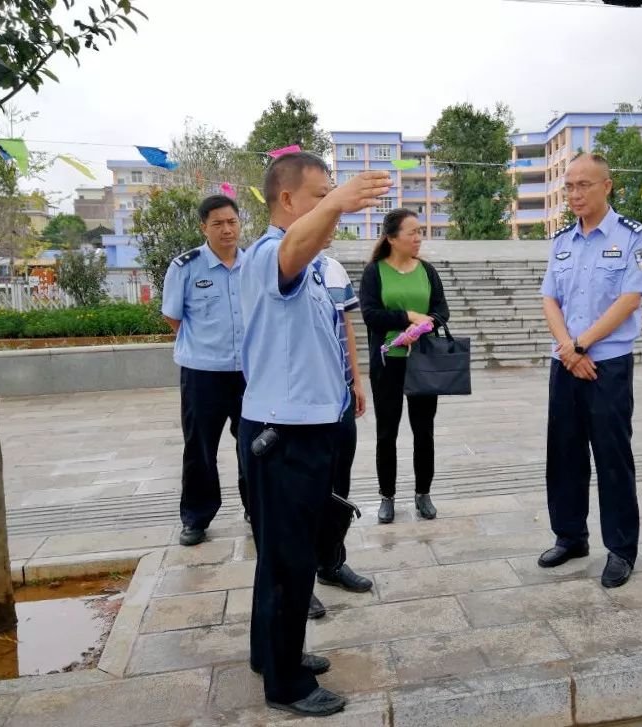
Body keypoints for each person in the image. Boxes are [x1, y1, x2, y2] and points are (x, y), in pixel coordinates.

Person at [238, 151, 391, 716]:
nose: (333, 207)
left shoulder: (316, 267)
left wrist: (350, 389)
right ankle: (287, 686)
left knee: (285, 555)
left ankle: (272, 654)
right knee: (289, 560)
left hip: (311, 427)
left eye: (332, 195)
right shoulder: (268, 255)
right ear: (286, 200)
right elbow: (291, 251)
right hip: (284, 433)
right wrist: (340, 202)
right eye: (320, 196)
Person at [537, 153, 642, 589]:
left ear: (607, 186)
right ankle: (570, 536)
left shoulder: (632, 236)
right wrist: (569, 350)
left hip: (608, 366)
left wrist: (582, 344)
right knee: (563, 455)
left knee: (612, 457)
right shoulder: (562, 241)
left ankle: (621, 549)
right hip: (566, 364)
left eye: (583, 185)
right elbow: (550, 298)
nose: (574, 194)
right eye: (569, 186)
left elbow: (630, 298)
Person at [161, 194, 248, 547]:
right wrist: (205, 345)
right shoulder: (185, 267)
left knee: (255, 444)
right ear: (204, 227)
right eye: (218, 224)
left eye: (232, 222)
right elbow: (173, 317)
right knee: (200, 447)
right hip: (203, 374)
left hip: (249, 373)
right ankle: (196, 518)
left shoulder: (254, 263)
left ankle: (257, 507)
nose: (227, 230)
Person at [359, 208, 449, 524]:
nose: (418, 238)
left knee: (424, 431)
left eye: (419, 232)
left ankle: (423, 493)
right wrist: (407, 317)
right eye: (412, 232)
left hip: (423, 361)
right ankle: (387, 496)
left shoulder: (428, 271)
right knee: (387, 432)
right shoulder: (374, 273)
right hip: (388, 364)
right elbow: (370, 315)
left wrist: (424, 326)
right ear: (392, 238)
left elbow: (441, 311)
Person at [306, 242, 373, 621]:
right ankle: (299, 583)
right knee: (302, 493)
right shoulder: (279, 264)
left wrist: (356, 381)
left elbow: (346, 325)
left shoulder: (334, 269)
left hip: (340, 395)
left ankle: (331, 563)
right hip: (303, 402)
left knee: (338, 486)